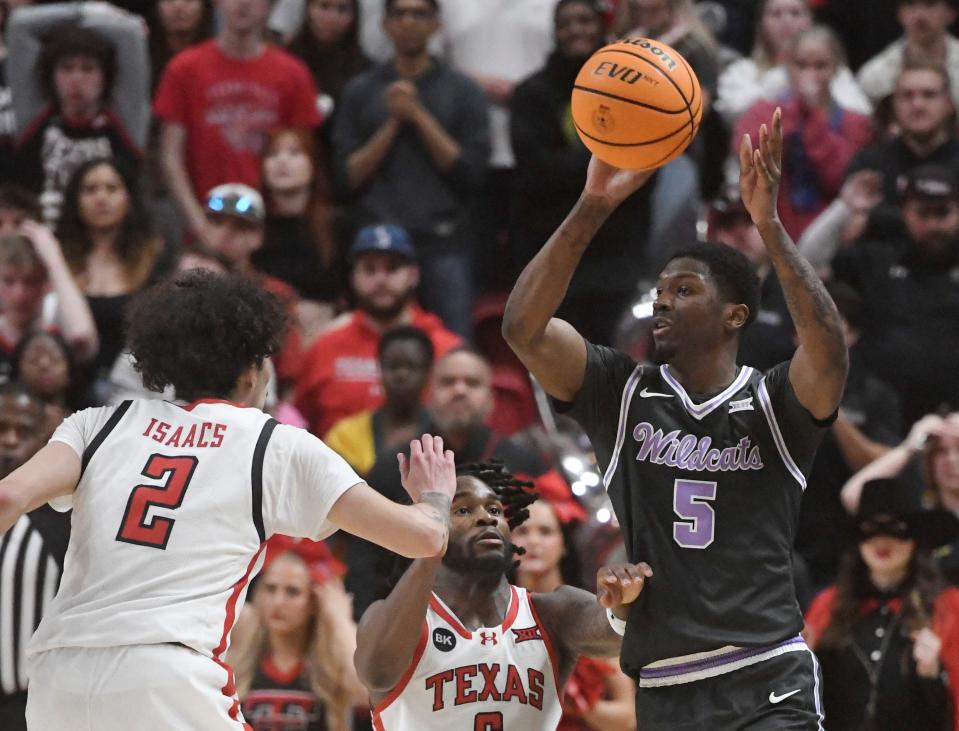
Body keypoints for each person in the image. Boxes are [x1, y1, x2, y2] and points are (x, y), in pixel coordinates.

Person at [503, 107, 848, 728]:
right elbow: (522, 329)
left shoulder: (772, 404)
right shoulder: (621, 392)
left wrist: (768, 226)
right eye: (661, 288)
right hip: (665, 685)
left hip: (765, 670)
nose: (663, 297)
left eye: (685, 289)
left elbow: (827, 351)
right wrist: (592, 205)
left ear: (735, 316)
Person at [0, 269, 460, 729]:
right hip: (168, 673)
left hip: (57, 674)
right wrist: (435, 496)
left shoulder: (96, 424)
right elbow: (422, 538)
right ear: (251, 370)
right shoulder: (275, 444)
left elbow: (7, 498)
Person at [353, 461, 653, 730]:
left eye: (495, 510)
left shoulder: (551, 612)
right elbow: (378, 674)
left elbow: (609, 633)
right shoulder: (399, 620)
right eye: (462, 510)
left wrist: (622, 601)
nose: (486, 518)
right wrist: (430, 540)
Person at [347, 346, 554, 616]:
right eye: (448, 382)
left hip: (505, 618)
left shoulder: (524, 466)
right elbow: (366, 556)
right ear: (430, 395)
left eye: (472, 382)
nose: (459, 390)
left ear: (491, 399)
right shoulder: (395, 466)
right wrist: (365, 619)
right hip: (411, 619)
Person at [332, 0, 490, 337]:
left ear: (437, 24)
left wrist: (417, 114)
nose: (408, 22)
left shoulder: (464, 91)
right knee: (370, 351)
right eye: (399, 14)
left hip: (443, 243)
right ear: (385, 24)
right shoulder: (360, 90)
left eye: (420, 14)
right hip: (376, 247)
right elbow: (346, 178)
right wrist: (392, 122)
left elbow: (470, 175)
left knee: (454, 350)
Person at [510, 0, 654, 346]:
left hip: (619, 250)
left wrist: (580, 167)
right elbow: (535, 174)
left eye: (584, 20)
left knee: (613, 358)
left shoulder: (630, 92)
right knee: (563, 362)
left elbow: (644, 167)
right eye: (566, 23)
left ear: (602, 26)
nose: (575, 29)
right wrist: (604, 161)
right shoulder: (531, 93)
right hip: (555, 245)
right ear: (554, 33)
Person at [153, 0, 322, 245]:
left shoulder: (293, 74)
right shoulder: (184, 69)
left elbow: (304, 158)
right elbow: (171, 157)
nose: (243, 4)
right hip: (204, 223)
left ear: (269, 6)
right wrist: (200, 225)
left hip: (272, 231)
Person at [804, 478, 959, 730]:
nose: (881, 541)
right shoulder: (828, 605)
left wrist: (932, 675)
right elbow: (803, 699)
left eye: (895, 528)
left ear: (915, 538)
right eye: (870, 529)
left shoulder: (948, 608)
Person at [294, 224, 460, 438]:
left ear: (414, 275)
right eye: (370, 269)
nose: (381, 279)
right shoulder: (324, 346)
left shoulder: (447, 349)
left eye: (392, 268)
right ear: (353, 277)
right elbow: (299, 424)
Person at [794, 282, 904, 592]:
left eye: (830, 325)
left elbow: (882, 464)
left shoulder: (874, 396)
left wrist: (831, 409)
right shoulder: (768, 387)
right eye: (807, 324)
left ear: (852, 335)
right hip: (784, 540)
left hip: (845, 544)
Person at [831, 164, 959, 427]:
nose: (933, 225)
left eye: (943, 213)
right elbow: (806, 264)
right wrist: (845, 210)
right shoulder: (876, 260)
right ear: (904, 213)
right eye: (923, 213)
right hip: (883, 421)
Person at [7, 4, 149, 225]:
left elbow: (129, 32)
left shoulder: (124, 120)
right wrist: (85, 10)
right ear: (51, 76)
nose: (76, 80)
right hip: (44, 242)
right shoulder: (35, 116)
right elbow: (20, 25)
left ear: (105, 77)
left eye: (88, 69)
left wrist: (99, 14)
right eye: (66, 68)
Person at [512, 484, 638, 731]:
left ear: (563, 542)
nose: (533, 541)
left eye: (546, 531)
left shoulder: (592, 613)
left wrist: (581, 703)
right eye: (523, 530)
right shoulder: (491, 615)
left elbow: (627, 718)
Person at [733, 26, 874, 239]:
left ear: (836, 67)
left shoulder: (856, 123)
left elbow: (840, 178)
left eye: (820, 66)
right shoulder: (761, 112)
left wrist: (813, 118)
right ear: (787, 66)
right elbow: (751, 166)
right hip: (769, 233)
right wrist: (792, 113)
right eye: (801, 65)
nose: (810, 75)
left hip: (832, 236)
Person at [56, 157, 167, 392]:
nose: (101, 197)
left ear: (128, 197)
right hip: (68, 387)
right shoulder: (59, 259)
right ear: (76, 200)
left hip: (139, 389)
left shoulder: (156, 258)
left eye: (112, 188)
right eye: (90, 189)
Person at [230, 541, 366, 731]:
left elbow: (366, 690)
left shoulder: (332, 665)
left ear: (314, 600)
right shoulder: (239, 652)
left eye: (292, 592)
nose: (278, 602)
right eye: (270, 589)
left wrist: (339, 618)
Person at [0, 382, 70, 731]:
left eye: (22, 430)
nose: (10, 440)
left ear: (43, 439)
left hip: (33, 707)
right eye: (1, 429)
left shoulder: (67, 520)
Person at [716, 0, 870, 124]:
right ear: (761, 23)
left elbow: (861, 115)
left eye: (795, 13)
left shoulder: (834, 71)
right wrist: (786, 76)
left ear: (811, 20)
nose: (786, 21)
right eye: (776, 14)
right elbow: (736, 113)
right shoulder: (743, 70)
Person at [256, 128, 346, 312]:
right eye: (272, 154)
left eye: (294, 152)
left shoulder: (336, 226)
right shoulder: (253, 227)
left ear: (314, 164)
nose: (282, 161)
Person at [324, 325, 433, 476]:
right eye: (393, 366)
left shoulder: (445, 435)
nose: (401, 375)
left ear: (428, 372)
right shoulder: (345, 434)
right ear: (379, 368)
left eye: (412, 367)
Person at [0, 225, 98, 373]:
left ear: (47, 284)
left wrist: (54, 257)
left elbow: (81, 335)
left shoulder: (59, 338)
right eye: (9, 281)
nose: (20, 294)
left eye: (31, 281)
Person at [857, 0, 959, 109]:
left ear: (951, 13)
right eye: (910, 4)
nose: (920, 15)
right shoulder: (874, 76)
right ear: (900, 14)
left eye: (930, 4)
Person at [11, 330, 81, 438]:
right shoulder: (5, 421)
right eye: (34, 360)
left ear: (69, 373)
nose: (44, 365)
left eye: (54, 359)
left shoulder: (84, 425)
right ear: (18, 372)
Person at [148, 0, 214, 92]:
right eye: (169, 1)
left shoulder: (217, 54)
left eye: (188, 1)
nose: (178, 7)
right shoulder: (143, 56)